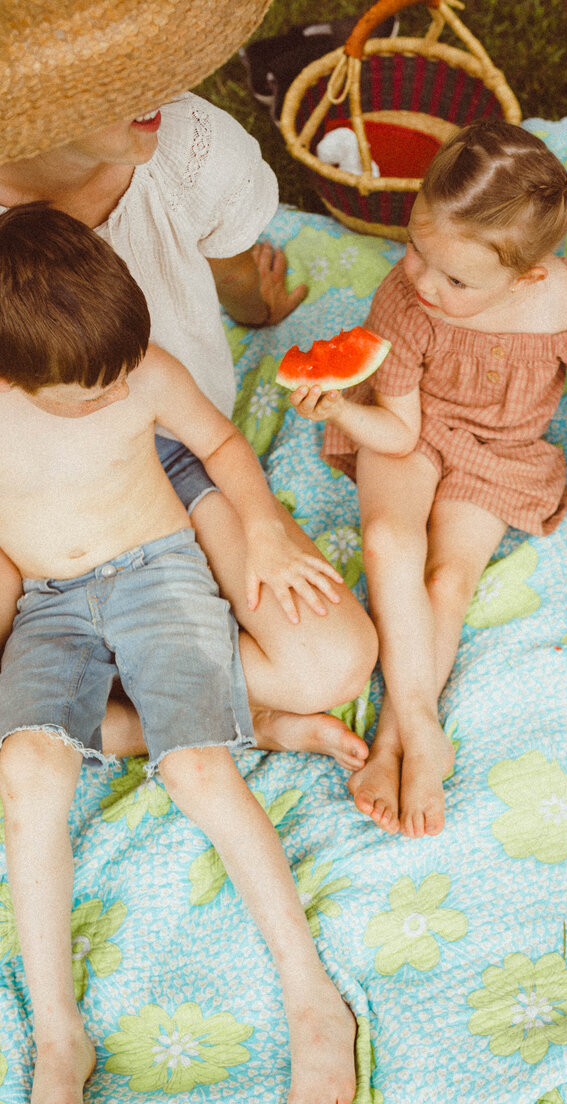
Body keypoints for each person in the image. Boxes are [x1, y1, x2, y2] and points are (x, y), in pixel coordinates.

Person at [0, 202, 358, 1104]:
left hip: (157, 573)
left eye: (123, 371)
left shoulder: (142, 373)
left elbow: (223, 449)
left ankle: (307, 992)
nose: (114, 394)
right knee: (27, 773)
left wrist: (267, 529)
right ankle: (58, 1034)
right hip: (52, 604)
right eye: (84, 392)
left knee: (195, 769)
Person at [288, 121, 567, 838]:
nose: (423, 281)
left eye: (455, 277)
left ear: (529, 275)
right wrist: (339, 405)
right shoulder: (406, 304)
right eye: (416, 249)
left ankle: (401, 736)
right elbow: (398, 432)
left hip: (502, 448)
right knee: (387, 540)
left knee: (447, 581)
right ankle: (426, 729)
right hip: (414, 431)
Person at [0, 0, 378, 772]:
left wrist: (256, 305)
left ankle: (98, 718)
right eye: (118, 79)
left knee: (334, 660)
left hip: (166, 451)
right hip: (16, 485)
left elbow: (230, 259)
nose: (160, 90)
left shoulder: (190, 144)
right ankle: (240, 719)